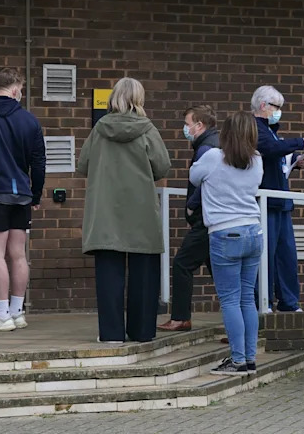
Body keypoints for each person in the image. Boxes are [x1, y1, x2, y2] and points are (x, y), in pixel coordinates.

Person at [77, 77, 171, 343]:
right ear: (139, 99)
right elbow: (162, 167)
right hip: (141, 211)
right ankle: (142, 332)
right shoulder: (148, 129)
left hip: (105, 212)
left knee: (109, 275)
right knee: (144, 275)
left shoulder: (99, 129)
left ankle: (111, 334)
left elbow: (83, 164)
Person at [0, 67, 46, 332]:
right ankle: (17, 312)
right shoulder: (30, 121)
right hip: (22, 194)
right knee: (17, 254)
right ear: (15, 89)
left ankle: (1, 313)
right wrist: (35, 193)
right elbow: (39, 163)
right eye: (22, 89)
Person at [190, 111, 264, 375]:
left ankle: (237, 360)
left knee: (230, 300)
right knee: (247, 299)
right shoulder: (257, 160)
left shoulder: (212, 157)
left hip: (224, 233)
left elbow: (193, 178)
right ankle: (250, 358)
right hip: (254, 232)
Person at [251, 86, 304, 313]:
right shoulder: (255, 129)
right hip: (266, 202)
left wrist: (296, 160)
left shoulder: (270, 131)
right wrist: (300, 142)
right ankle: (264, 302)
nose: (279, 112)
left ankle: (289, 302)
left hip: (280, 201)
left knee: (286, 255)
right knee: (266, 256)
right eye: (276, 107)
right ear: (263, 106)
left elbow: (279, 154)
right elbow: (269, 149)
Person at [158, 104, 219, 333]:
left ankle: (180, 318)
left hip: (205, 219)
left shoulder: (206, 149)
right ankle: (243, 327)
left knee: (182, 264)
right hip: (212, 218)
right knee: (221, 272)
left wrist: (192, 207)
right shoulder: (214, 144)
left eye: (187, 124)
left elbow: (201, 184)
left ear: (199, 125)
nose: (186, 128)